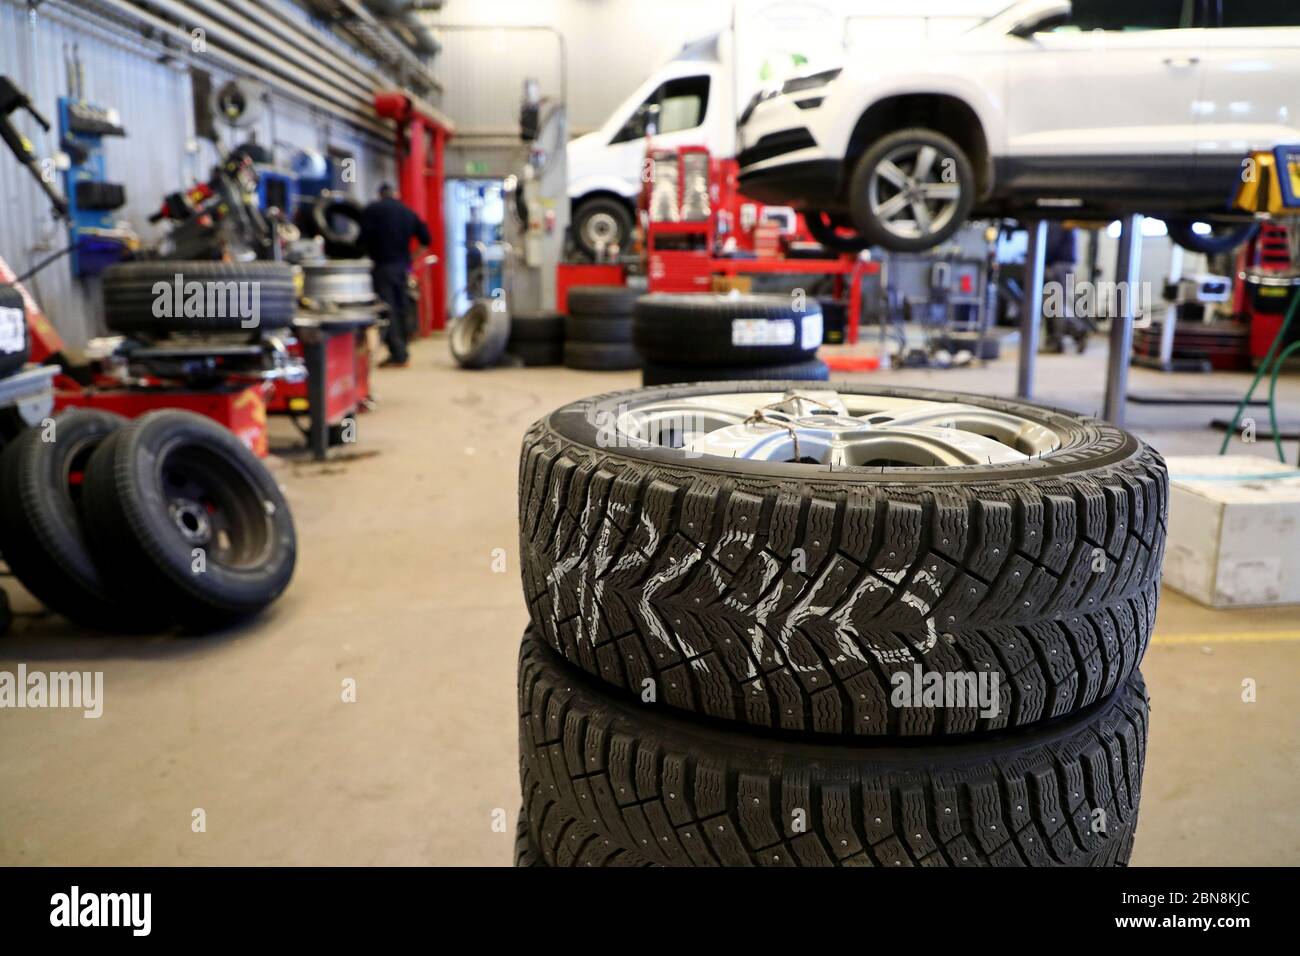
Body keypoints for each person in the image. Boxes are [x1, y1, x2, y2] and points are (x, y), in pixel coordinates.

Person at [359, 183, 431, 368]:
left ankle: (398, 354)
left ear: (380, 194)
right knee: (401, 308)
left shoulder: (372, 210)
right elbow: (426, 239)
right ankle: (402, 351)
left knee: (386, 310)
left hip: (382, 267)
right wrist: (411, 259)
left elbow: (360, 241)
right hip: (402, 268)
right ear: (396, 194)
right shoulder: (407, 212)